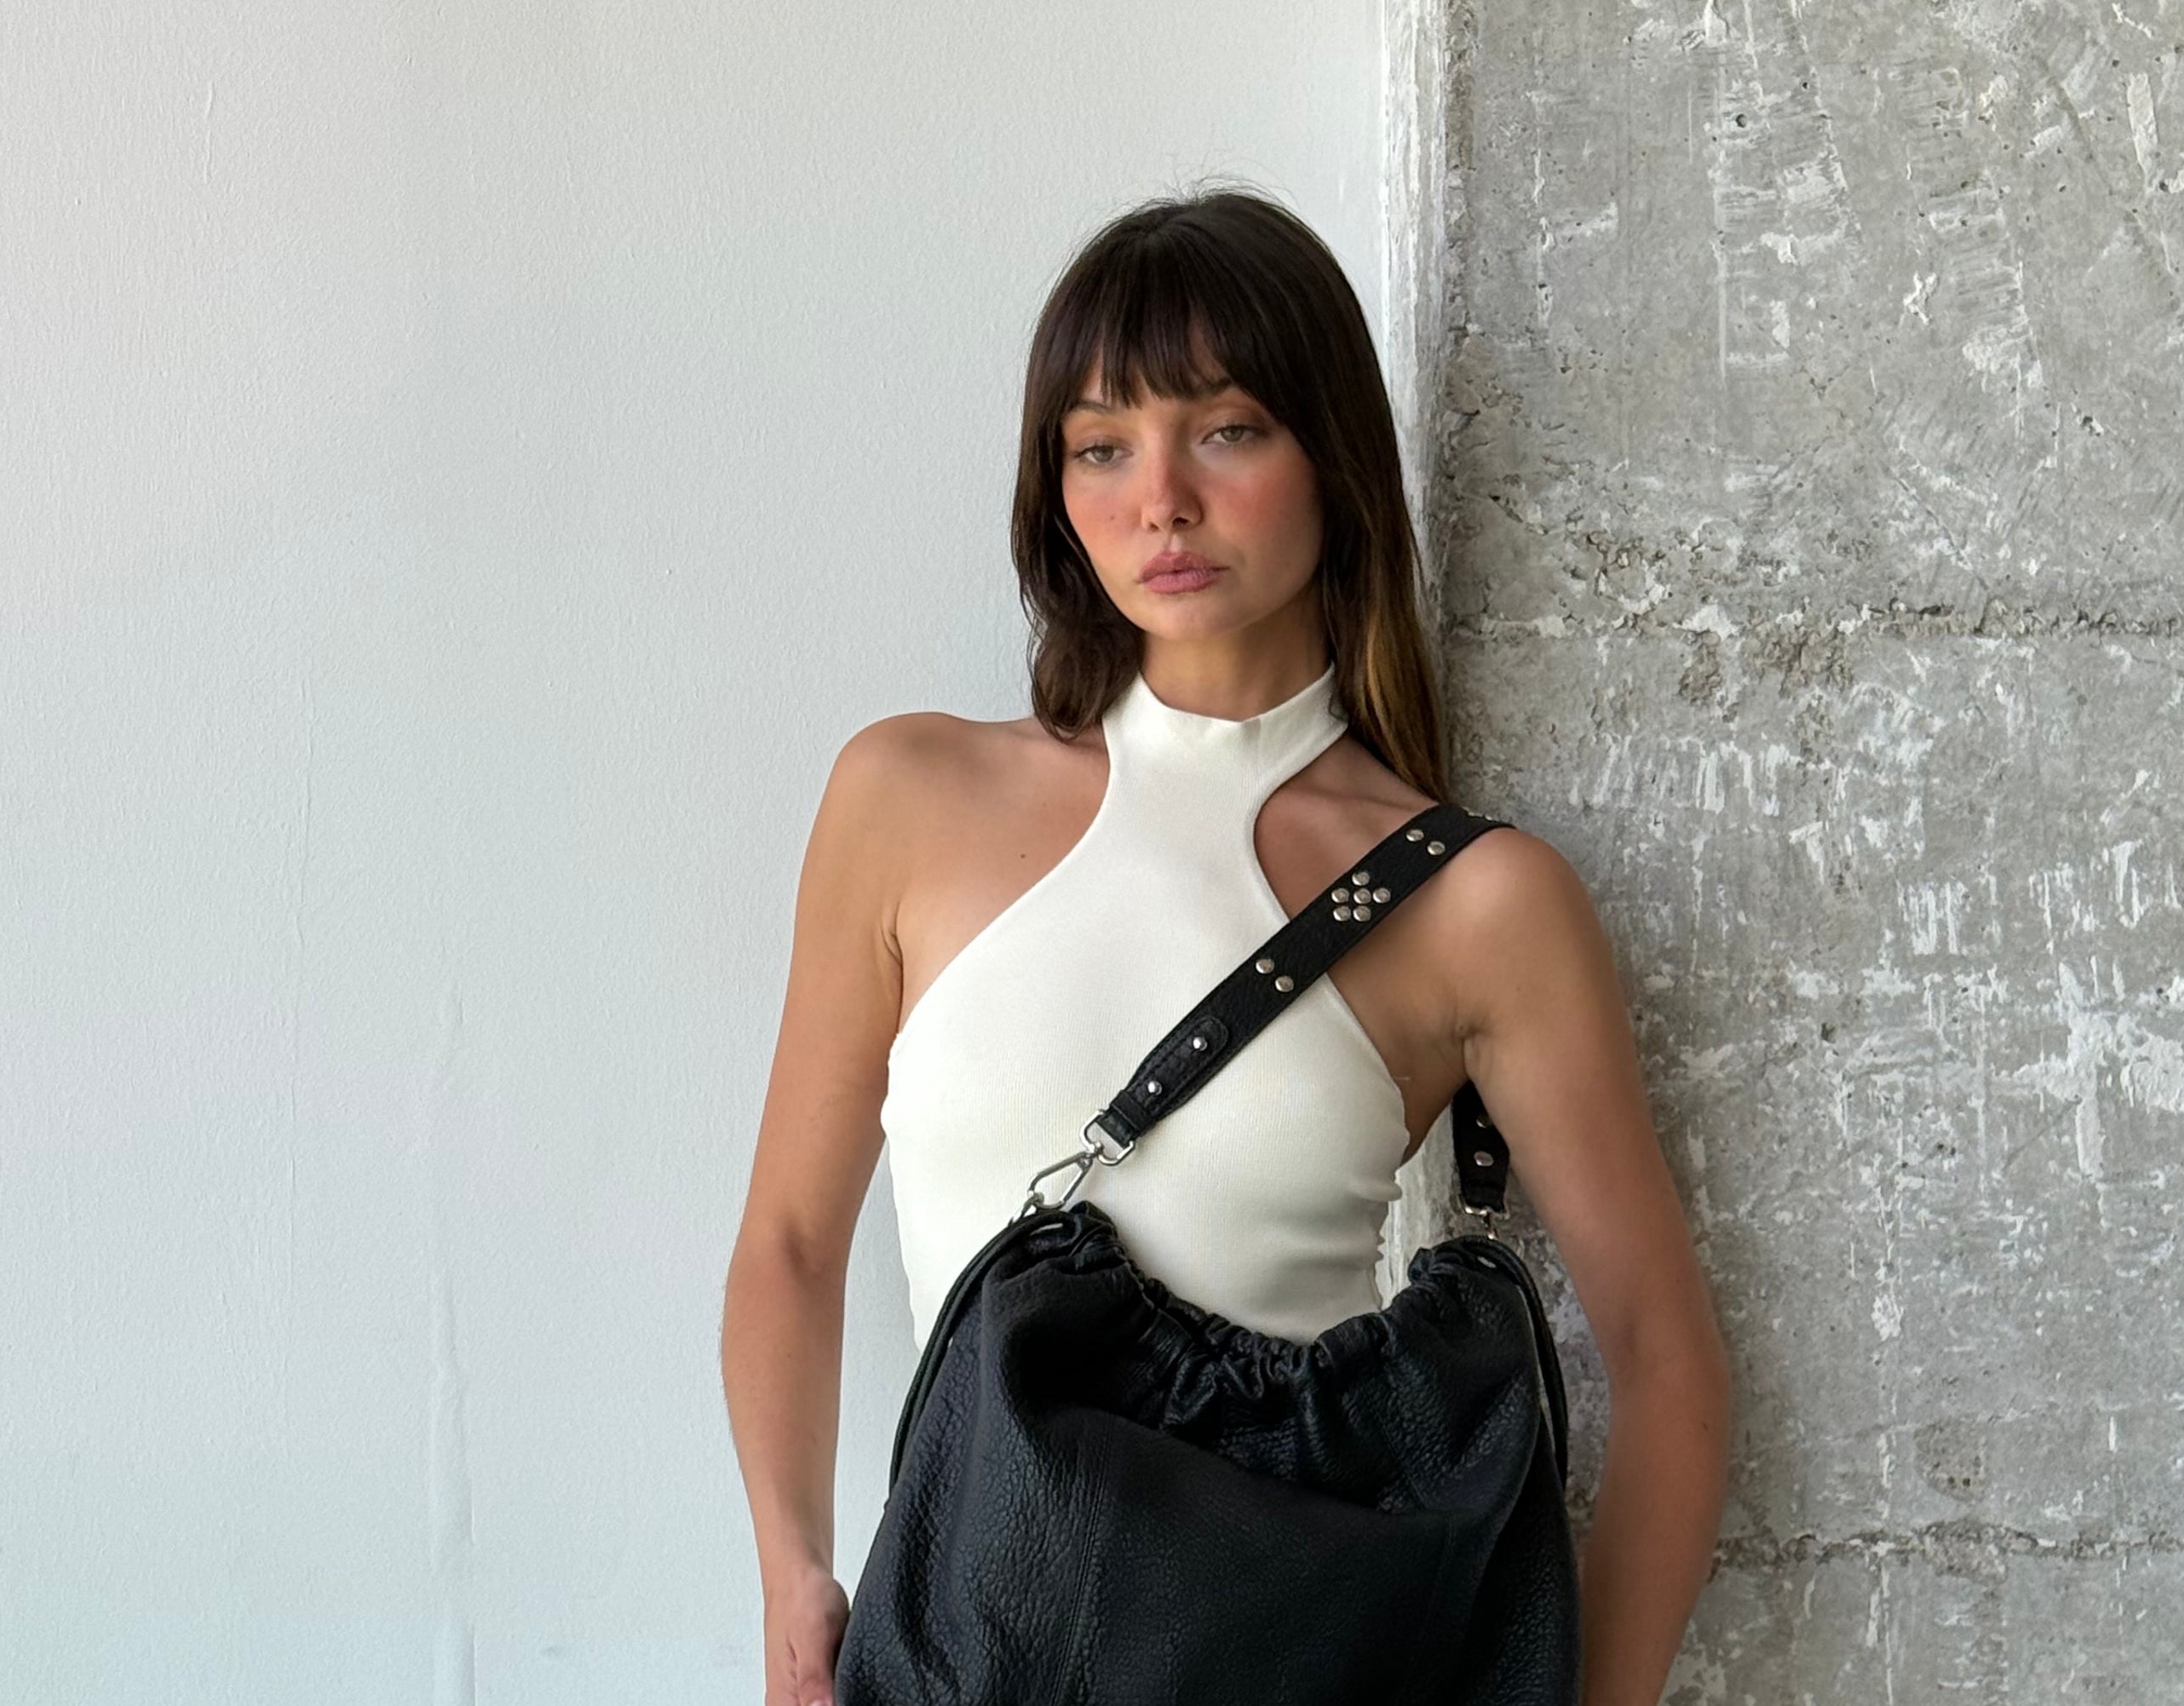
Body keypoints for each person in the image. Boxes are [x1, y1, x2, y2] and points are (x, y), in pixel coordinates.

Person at [720, 186, 1731, 1706]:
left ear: (1331, 454)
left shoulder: (1475, 902)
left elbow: (1669, 1359)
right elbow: (790, 1244)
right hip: (961, 1653)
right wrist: (794, 1571)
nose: (1162, 500)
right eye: (1102, 443)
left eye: (1229, 428)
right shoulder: (907, 799)